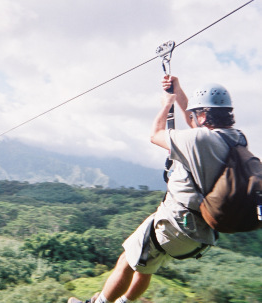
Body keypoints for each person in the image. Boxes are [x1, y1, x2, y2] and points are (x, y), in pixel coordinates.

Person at [70, 75, 243, 303]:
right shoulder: (235, 139)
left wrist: (166, 106)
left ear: (202, 115)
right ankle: (124, 302)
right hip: (201, 232)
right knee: (145, 266)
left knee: (127, 260)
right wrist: (178, 90)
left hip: (174, 224)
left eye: (196, 113)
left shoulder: (199, 140)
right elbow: (193, 123)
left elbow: (156, 135)